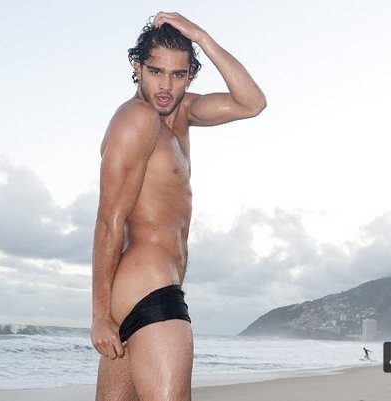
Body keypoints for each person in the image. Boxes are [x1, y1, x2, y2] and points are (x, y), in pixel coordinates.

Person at [90, 11, 266, 401]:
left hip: (140, 290)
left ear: (190, 76)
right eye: (156, 72)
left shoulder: (182, 112)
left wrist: (201, 36)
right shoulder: (136, 121)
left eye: (178, 74)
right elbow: (108, 221)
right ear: (137, 67)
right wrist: (99, 315)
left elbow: (251, 102)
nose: (166, 86)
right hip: (150, 286)